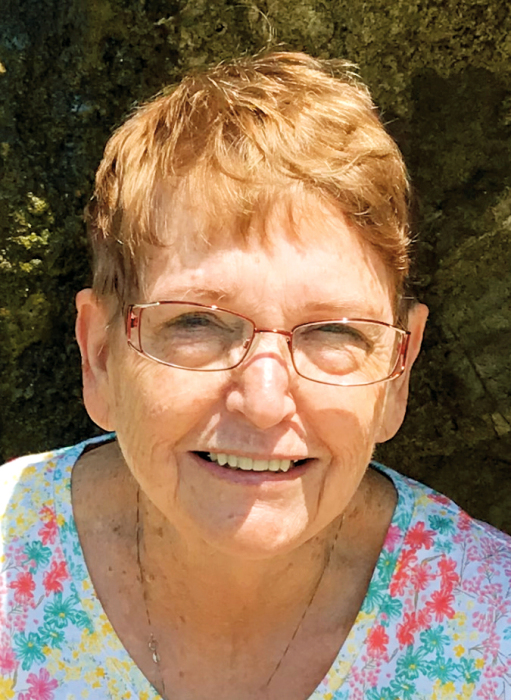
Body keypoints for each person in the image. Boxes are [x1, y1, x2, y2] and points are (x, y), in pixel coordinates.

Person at [1, 52, 510, 700]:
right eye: (196, 324)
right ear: (100, 354)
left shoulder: (491, 631)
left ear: (396, 373)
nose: (264, 401)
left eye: (335, 333)